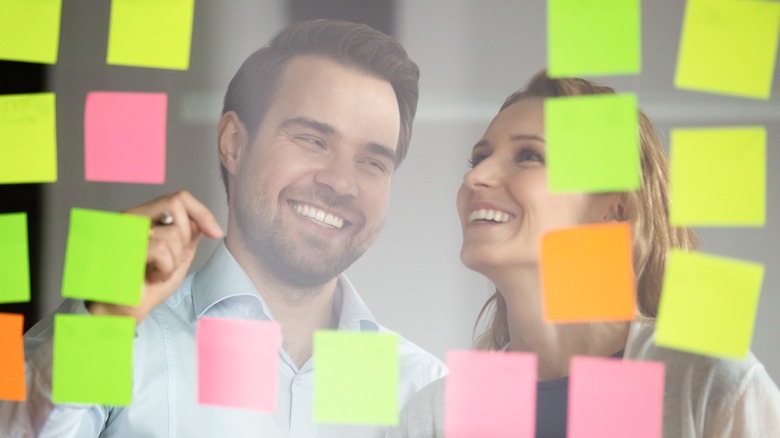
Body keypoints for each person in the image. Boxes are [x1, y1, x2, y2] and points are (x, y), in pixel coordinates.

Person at [1, 19, 446, 438]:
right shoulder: (110, 331)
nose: (342, 182)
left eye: (372, 161)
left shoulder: (427, 392)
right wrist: (100, 328)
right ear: (234, 143)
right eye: (313, 140)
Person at [393, 71, 780, 438]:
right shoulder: (436, 415)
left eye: (529, 155)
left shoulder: (708, 383)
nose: (475, 177)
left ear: (615, 210)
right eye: (479, 158)